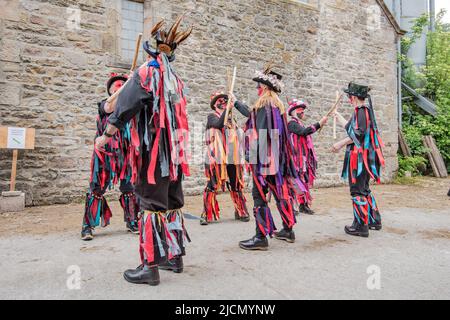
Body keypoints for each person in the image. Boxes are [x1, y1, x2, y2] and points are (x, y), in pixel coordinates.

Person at [95, 16, 193, 286]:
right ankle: (174, 256)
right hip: (173, 155)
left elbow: (126, 106)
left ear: (152, 49)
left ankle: (150, 267)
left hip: (152, 153)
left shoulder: (147, 72)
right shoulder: (175, 79)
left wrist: (107, 134)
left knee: (150, 205)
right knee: (172, 203)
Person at [231, 63, 300, 250]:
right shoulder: (278, 106)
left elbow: (260, 133)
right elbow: (253, 115)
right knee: (279, 193)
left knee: (259, 195)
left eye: (258, 86)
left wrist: (249, 156)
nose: (256, 89)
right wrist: (236, 102)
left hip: (264, 160)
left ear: (265, 87)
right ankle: (288, 230)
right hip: (277, 159)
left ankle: (261, 236)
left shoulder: (263, 105)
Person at [81, 73, 140, 241]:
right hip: (104, 156)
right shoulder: (103, 105)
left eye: (122, 84)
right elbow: (110, 107)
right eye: (116, 85)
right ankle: (87, 226)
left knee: (129, 189)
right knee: (96, 189)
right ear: (110, 90)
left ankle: (132, 221)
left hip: (125, 156)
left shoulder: (129, 109)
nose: (119, 86)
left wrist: (131, 88)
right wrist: (125, 88)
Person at [333, 82, 385, 238]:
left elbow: (358, 136)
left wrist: (340, 143)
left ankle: (361, 226)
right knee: (364, 189)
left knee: (357, 190)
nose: (349, 98)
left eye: (350, 96)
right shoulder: (364, 111)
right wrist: (341, 118)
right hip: (365, 157)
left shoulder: (361, 111)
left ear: (354, 97)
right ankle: (374, 219)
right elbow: (356, 131)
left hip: (361, 158)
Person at [201, 91, 250, 225]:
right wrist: (228, 108)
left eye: (225, 100)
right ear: (214, 104)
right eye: (219, 101)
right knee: (212, 185)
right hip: (216, 158)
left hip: (232, 158)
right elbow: (218, 124)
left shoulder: (232, 120)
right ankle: (207, 213)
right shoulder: (211, 117)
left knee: (235, 184)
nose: (222, 102)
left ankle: (240, 210)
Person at [287, 99, 327, 215]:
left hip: (302, 160)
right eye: (301, 111)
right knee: (294, 182)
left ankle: (303, 205)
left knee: (303, 181)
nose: (303, 113)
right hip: (294, 159)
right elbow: (304, 132)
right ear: (294, 112)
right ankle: (291, 207)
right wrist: (319, 124)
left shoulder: (299, 124)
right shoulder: (291, 124)